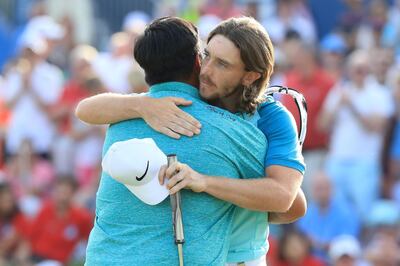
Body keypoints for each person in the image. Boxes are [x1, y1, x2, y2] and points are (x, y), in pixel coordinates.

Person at [78, 17, 305, 265]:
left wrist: (206, 184)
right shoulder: (197, 95)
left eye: (222, 64)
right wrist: (142, 105)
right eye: (207, 56)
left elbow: (288, 200)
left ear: (250, 76)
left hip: (241, 257)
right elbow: (85, 110)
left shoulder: (272, 118)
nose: (206, 70)